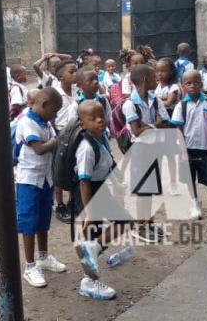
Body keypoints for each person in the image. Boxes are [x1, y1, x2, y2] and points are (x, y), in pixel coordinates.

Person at [14, 87, 66, 288]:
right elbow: (39, 149)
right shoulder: (26, 123)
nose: (55, 116)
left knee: (43, 219)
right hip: (29, 180)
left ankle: (43, 256)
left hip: (45, 179)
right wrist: (53, 141)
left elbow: (49, 143)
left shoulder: (45, 123)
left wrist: (50, 141)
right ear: (44, 105)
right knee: (29, 222)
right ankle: (30, 266)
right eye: (54, 111)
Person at [71, 100, 122, 301]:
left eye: (102, 115)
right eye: (93, 118)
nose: (100, 120)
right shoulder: (86, 147)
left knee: (123, 222)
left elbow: (108, 163)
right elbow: (84, 181)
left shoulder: (101, 138)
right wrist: (89, 212)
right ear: (82, 123)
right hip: (88, 193)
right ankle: (88, 282)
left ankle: (95, 248)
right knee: (90, 235)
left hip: (100, 189)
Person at [122, 64, 171, 242]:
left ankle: (148, 221)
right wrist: (155, 125)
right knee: (143, 190)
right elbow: (136, 131)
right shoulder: (130, 104)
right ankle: (140, 226)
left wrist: (149, 126)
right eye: (152, 76)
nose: (156, 78)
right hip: (140, 151)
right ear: (144, 80)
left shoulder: (155, 100)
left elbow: (166, 121)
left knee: (151, 189)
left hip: (154, 148)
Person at [171, 70, 207, 222]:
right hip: (188, 148)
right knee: (190, 179)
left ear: (201, 84)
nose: (193, 86)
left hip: (204, 147)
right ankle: (194, 204)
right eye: (188, 83)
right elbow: (178, 129)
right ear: (183, 86)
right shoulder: (181, 106)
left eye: (196, 82)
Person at [52, 60, 78, 224]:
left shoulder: (77, 91)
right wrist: (57, 135)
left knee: (73, 168)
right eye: (72, 72)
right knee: (59, 169)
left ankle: (72, 201)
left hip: (75, 133)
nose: (75, 74)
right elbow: (51, 116)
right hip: (60, 133)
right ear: (61, 76)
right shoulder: (54, 93)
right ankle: (59, 204)